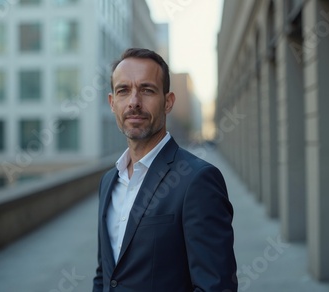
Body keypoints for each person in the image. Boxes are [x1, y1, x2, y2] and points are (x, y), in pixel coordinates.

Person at [93, 48, 237, 291]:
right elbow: (105, 274)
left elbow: (216, 286)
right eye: (123, 91)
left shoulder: (198, 180)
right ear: (112, 103)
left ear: (168, 102)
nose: (134, 102)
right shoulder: (109, 182)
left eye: (147, 90)